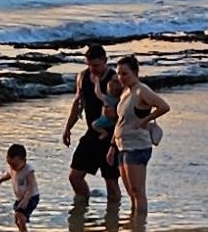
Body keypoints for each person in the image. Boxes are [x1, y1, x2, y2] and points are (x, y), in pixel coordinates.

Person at [58, 44, 116, 210]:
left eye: (96, 65)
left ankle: (113, 221)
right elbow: (78, 103)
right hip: (92, 133)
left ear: (105, 61)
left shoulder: (114, 79)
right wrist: (68, 128)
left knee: (111, 182)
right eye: (89, 65)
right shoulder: (83, 76)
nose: (93, 69)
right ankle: (82, 210)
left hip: (111, 135)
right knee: (75, 176)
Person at [111, 55, 169, 218]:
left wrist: (145, 120)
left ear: (135, 72)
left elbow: (163, 106)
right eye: (119, 74)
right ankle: (134, 219)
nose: (121, 78)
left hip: (138, 146)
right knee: (130, 190)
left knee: (137, 190)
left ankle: (140, 225)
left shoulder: (141, 90)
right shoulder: (125, 92)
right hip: (123, 145)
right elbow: (120, 121)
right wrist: (112, 146)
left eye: (125, 74)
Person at [0, 142, 40, 232]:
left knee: (20, 212)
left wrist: (26, 200)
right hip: (20, 197)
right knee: (17, 219)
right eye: (10, 164)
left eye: (15, 165)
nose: (13, 167)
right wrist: (0, 180)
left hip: (31, 196)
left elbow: (31, 186)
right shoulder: (13, 168)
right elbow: (9, 175)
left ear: (24, 161)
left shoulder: (28, 170)